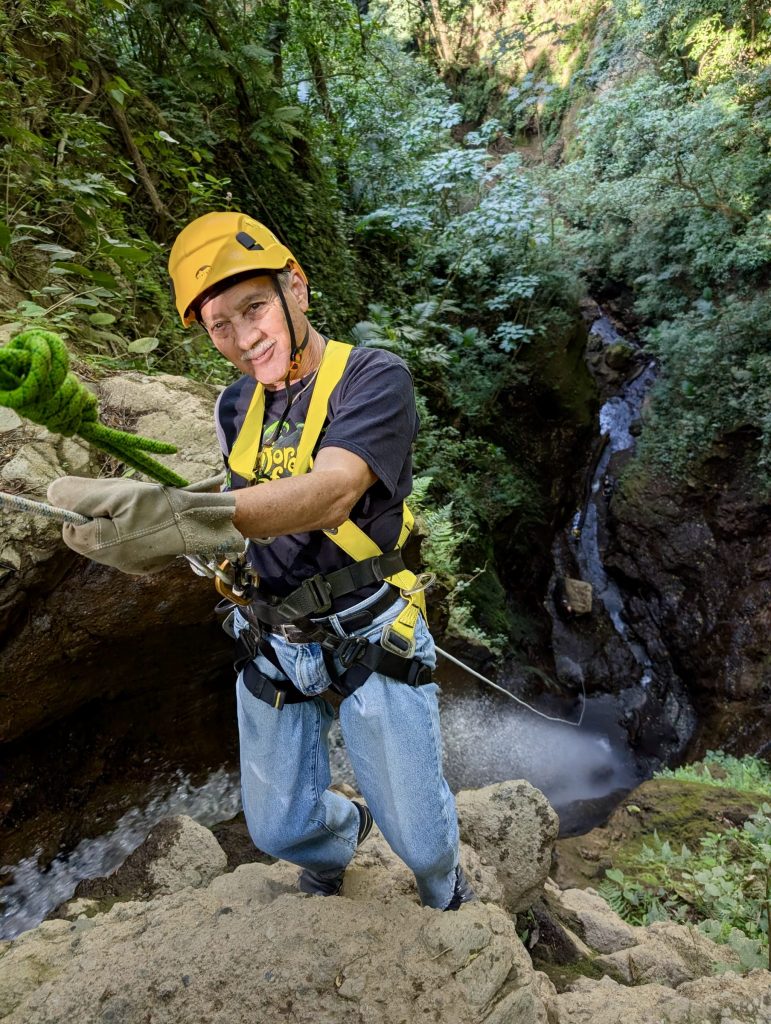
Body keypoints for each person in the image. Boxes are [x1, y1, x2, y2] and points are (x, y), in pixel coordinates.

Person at [48, 212, 475, 911]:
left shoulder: (372, 378)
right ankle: (341, 837)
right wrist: (165, 522)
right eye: (219, 325)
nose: (243, 338)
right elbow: (249, 500)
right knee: (278, 829)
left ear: (295, 286)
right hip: (275, 633)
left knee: (422, 841)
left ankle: (445, 894)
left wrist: (186, 519)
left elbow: (331, 493)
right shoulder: (235, 405)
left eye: (254, 308)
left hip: (370, 627)